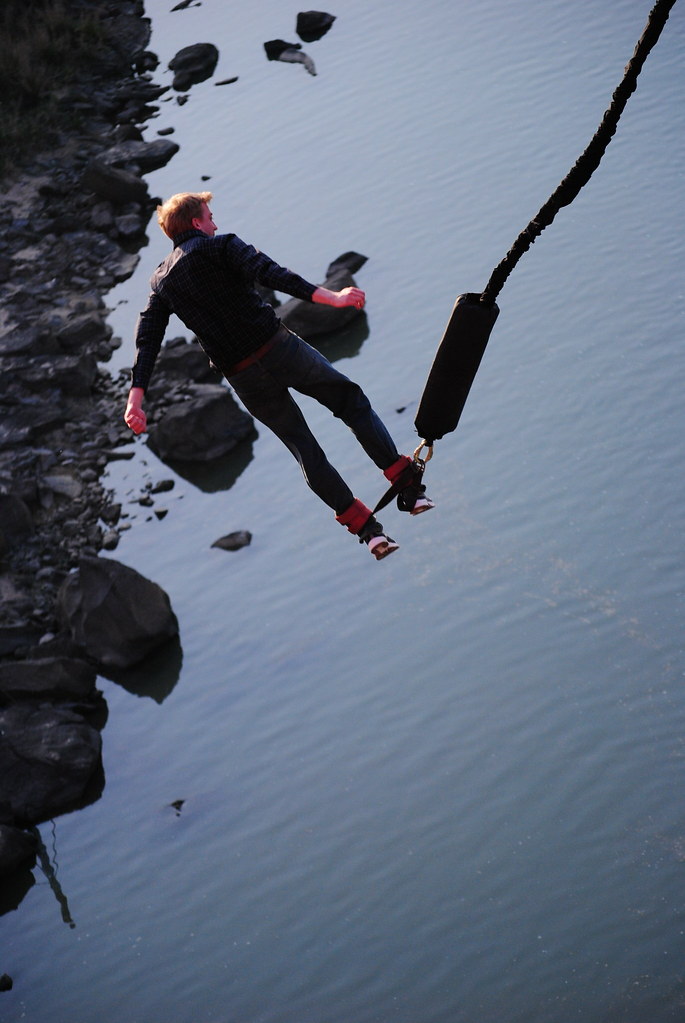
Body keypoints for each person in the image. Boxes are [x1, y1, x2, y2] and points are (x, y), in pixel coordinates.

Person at [124, 191, 434, 560]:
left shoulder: (162, 281)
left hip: (242, 375)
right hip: (278, 348)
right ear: (195, 223)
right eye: (209, 217)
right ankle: (408, 489)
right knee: (349, 401)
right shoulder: (223, 247)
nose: (215, 224)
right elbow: (272, 274)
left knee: (303, 447)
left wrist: (135, 399)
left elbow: (148, 337)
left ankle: (369, 533)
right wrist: (332, 298)